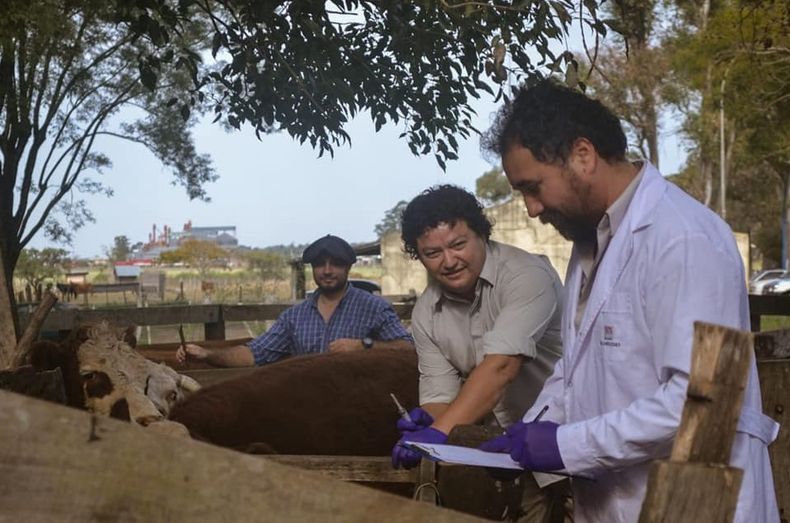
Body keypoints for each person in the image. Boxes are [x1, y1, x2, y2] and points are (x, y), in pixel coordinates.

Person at [478, 78, 779, 522]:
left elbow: (708, 400)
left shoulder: (686, 238)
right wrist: (531, 429)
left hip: (695, 500)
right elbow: (578, 368)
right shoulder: (590, 244)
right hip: (617, 498)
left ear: (583, 155)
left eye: (533, 187)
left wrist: (564, 445)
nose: (531, 209)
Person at [391, 185, 569, 521]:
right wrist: (430, 420)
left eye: (458, 244)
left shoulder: (527, 276)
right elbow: (440, 397)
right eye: (432, 253)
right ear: (418, 255)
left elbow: (501, 367)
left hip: (566, 444)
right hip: (497, 456)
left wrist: (438, 434)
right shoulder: (427, 312)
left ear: (482, 235)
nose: (449, 261)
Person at [176, 234, 413, 367]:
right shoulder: (295, 317)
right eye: (320, 264)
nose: (327, 270)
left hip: (362, 403)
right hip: (309, 406)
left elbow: (408, 349)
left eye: (336, 263)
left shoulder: (374, 308)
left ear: (349, 266)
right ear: (312, 268)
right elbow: (253, 354)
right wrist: (207, 354)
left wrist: (364, 346)